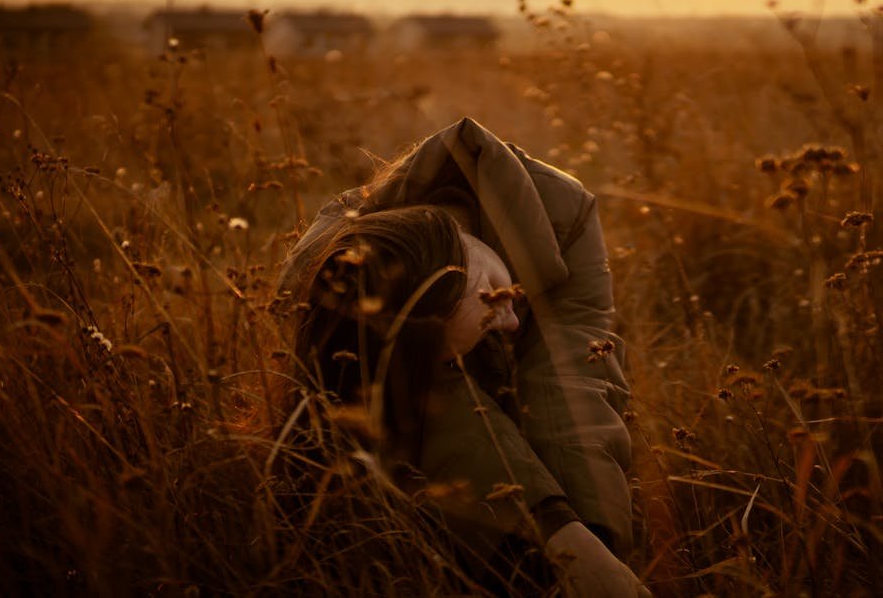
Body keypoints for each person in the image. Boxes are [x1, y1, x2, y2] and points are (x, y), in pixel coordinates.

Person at [273, 117, 649, 597]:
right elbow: (438, 401)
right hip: (406, 419)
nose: (512, 321)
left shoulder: (562, 213)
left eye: (496, 296)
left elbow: (573, 375)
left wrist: (592, 541)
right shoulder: (323, 290)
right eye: (493, 309)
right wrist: (553, 527)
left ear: (455, 254)